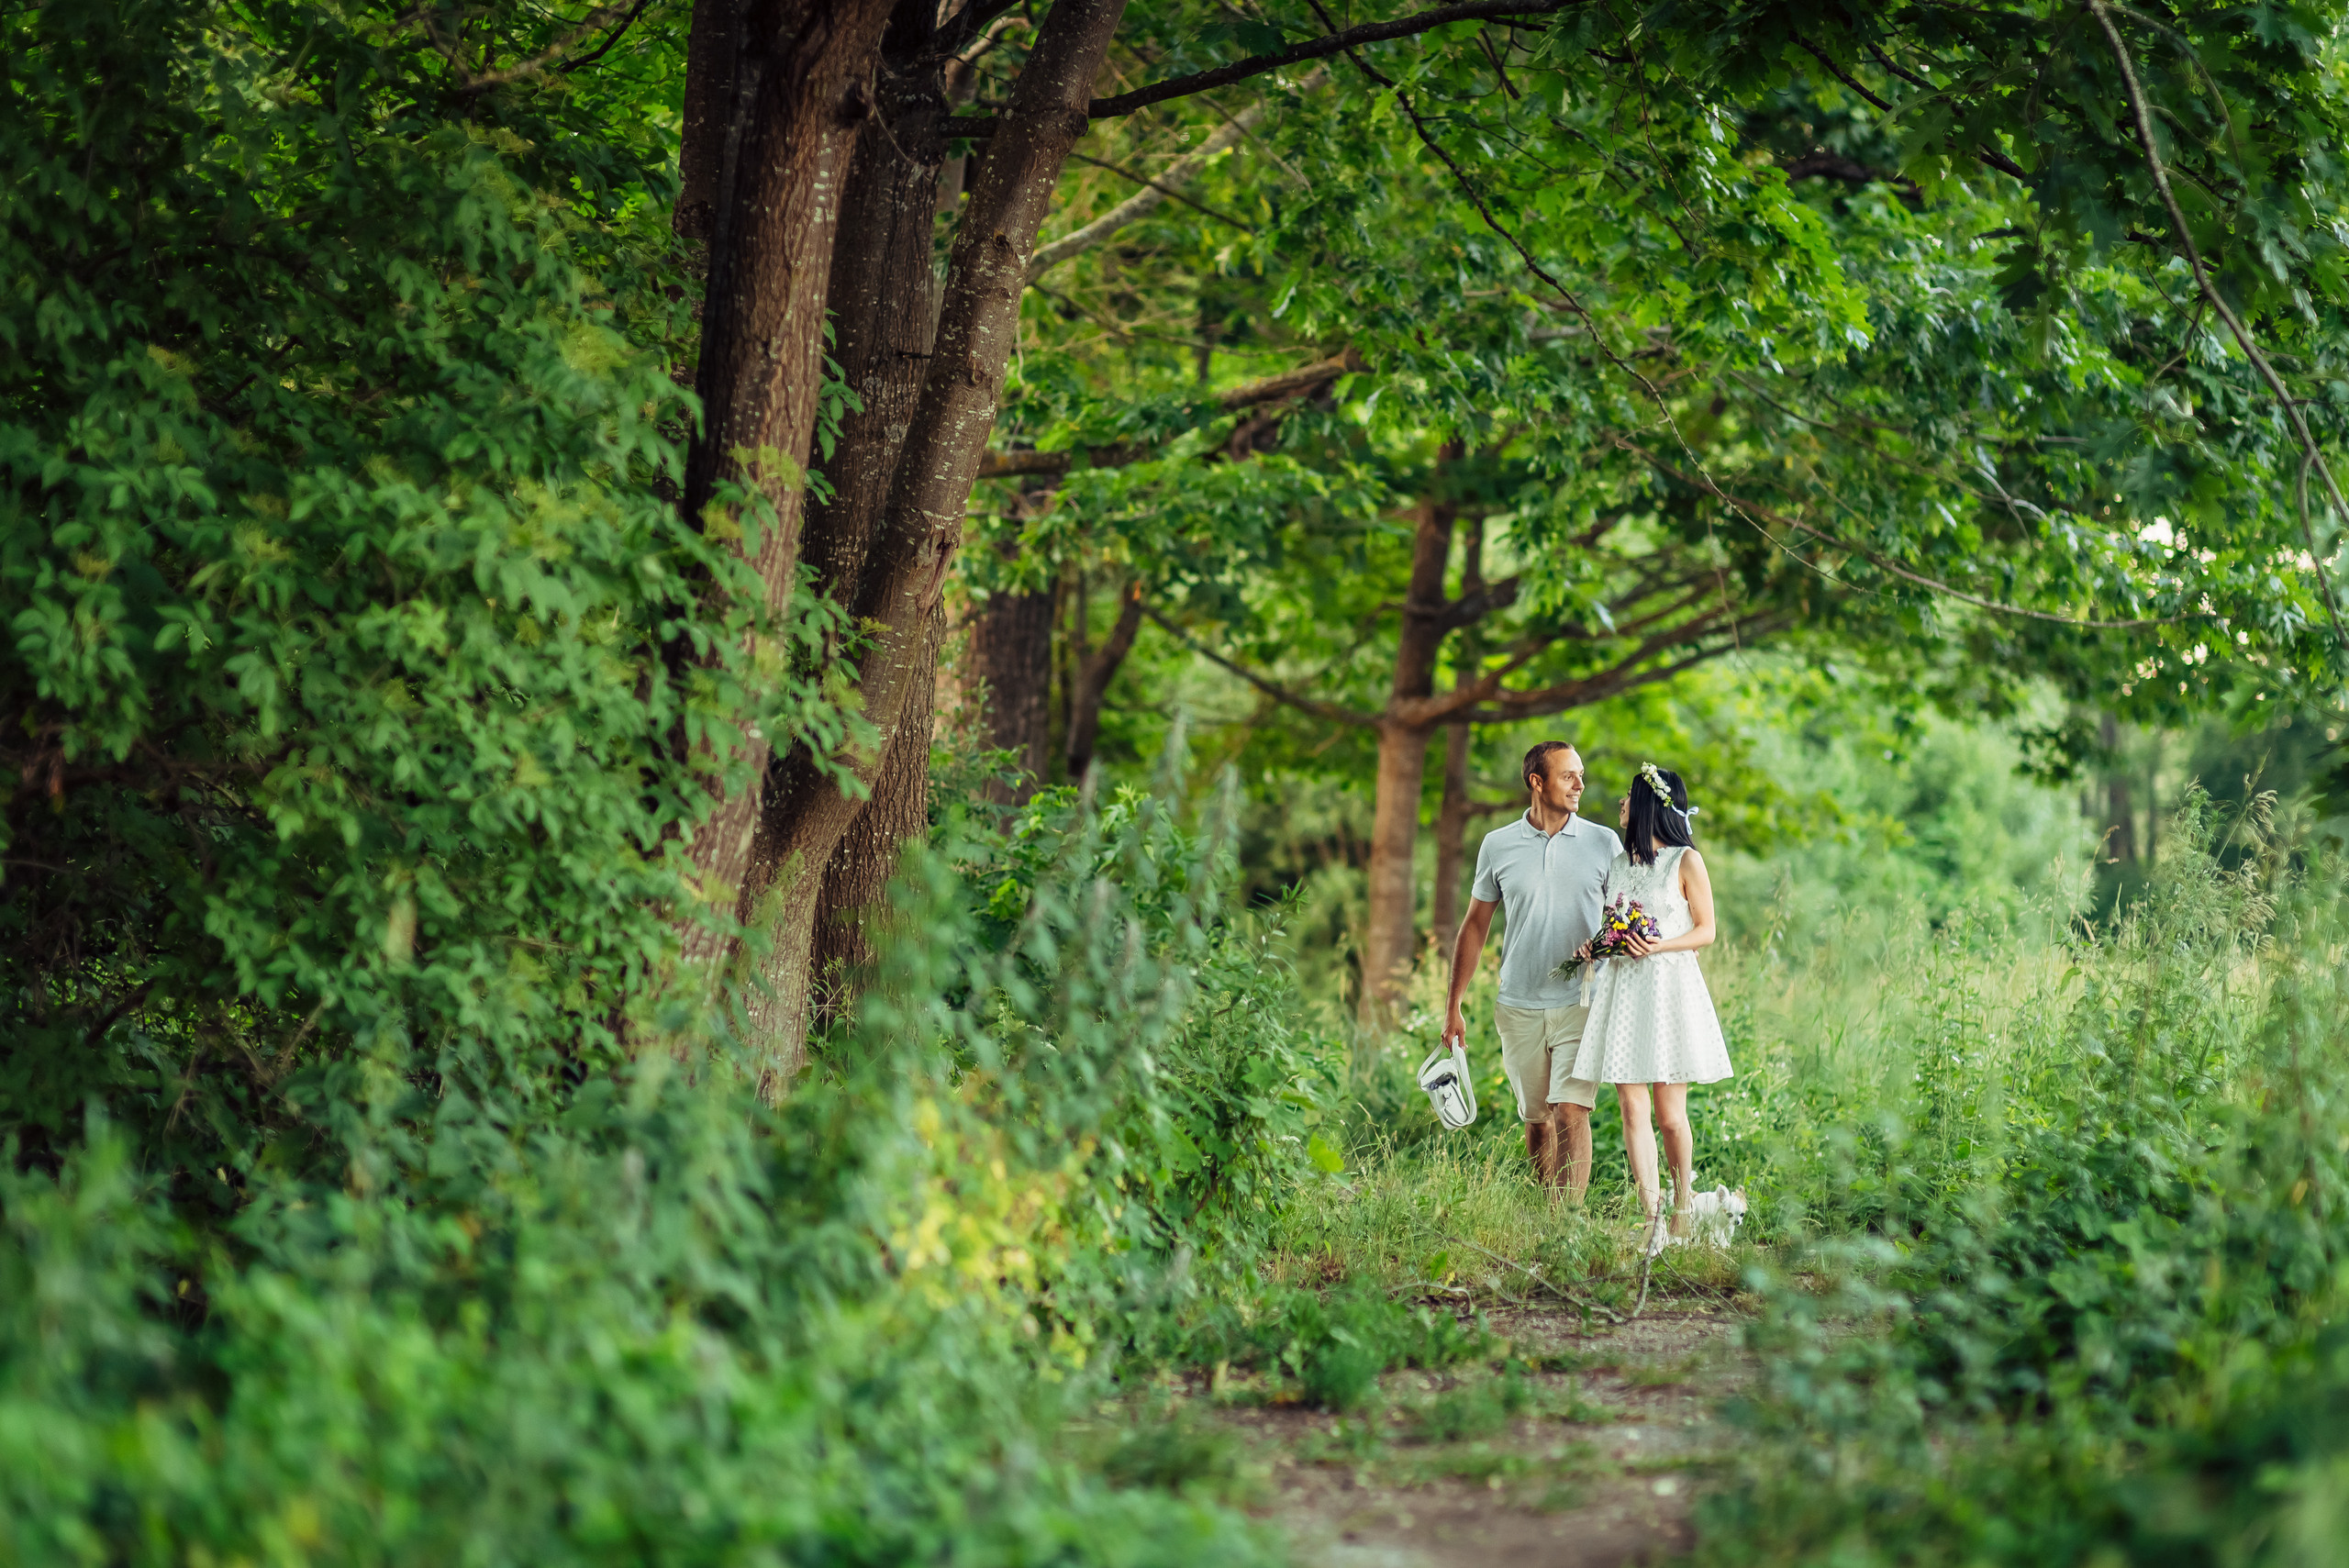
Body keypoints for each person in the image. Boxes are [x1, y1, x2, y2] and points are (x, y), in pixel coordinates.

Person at [1442, 741, 1624, 1200]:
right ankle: (1546, 1215)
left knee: (1571, 1110)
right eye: (1568, 776)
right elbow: (1475, 924)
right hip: (1518, 1003)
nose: (1580, 785)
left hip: (1583, 999)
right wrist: (1454, 1006)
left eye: (1581, 775)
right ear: (1536, 782)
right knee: (1538, 1117)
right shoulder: (1497, 844)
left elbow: (1627, 916)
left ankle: (1570, 1226)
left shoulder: (1604, 842)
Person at [1567, 762, 1732, 1244]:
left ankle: (1683, 1211)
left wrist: (1657, 946)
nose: (1620, 802)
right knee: (1631, 1108)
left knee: (1669, 1115)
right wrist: (1597, 945)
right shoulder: (1618, 865)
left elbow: (1707, 931)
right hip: (1623, 990)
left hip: (1670, 989)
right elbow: (1617, 925)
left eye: (1627, 795)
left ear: (1647, 805)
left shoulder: (1685, 860)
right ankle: (1654, 1219)